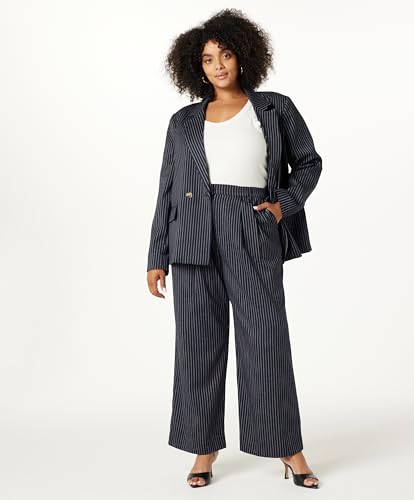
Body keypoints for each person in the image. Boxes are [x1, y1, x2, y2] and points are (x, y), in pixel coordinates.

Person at [146, 8, 322, 489]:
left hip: (251, 228)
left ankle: (288, 448)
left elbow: (308, 162)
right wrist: (156, 256)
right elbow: (166, 190)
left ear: (243, 56)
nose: (218, 65)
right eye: (207, 59)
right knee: (197, 345)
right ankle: (203, 447)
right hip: (191, 236)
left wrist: (282, 206)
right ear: (196, 66)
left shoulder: (274, 108)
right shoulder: (183, 121)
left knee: (265, 341)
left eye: (225, 55)